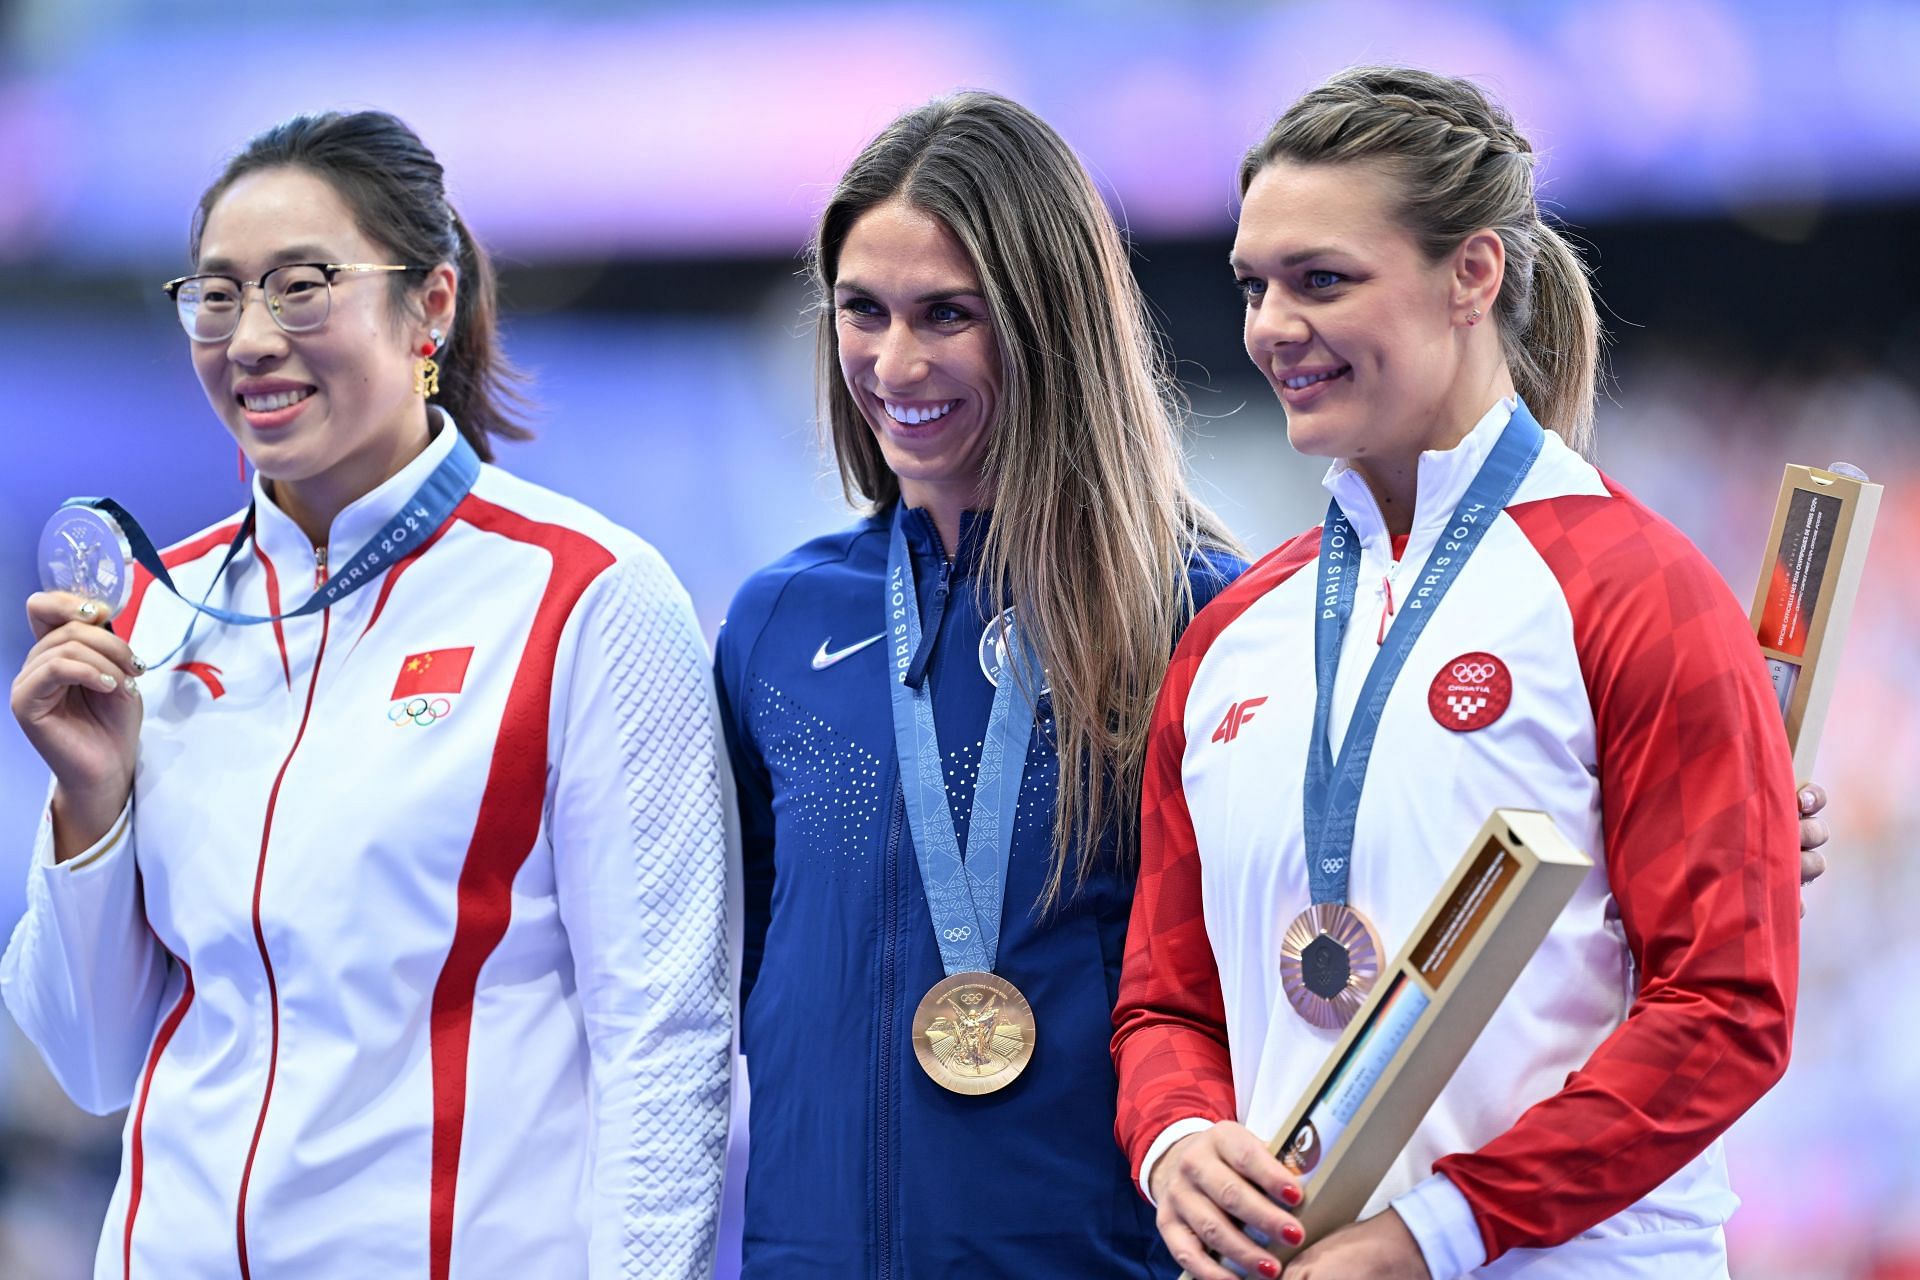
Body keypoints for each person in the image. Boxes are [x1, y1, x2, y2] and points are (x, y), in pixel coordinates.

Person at [1, 111, 731, 1278]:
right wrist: (88, 812)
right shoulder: (158, 609)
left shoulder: (584, 596)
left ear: (430, 305)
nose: (249, 339)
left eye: (301, 288)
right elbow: (91, 1059)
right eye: (218, 296)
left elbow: (666, 1043)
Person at [1113, 67, 1808, 1280]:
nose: (1273, 325)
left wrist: (1438, 1230)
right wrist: (1177, 1140)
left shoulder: (1637, 588)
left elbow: (1725, 1009)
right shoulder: (1231, 633)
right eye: (1254, 285)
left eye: (1322, 279)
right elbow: (1167, 1003)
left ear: (1472, 276)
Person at [712, 92, 1244, 1277]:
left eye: (947, 314)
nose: (894, 363)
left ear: (1049, 324)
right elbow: (740, 980)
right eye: (862, 311)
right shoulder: (778, 624)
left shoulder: (1201, 617)